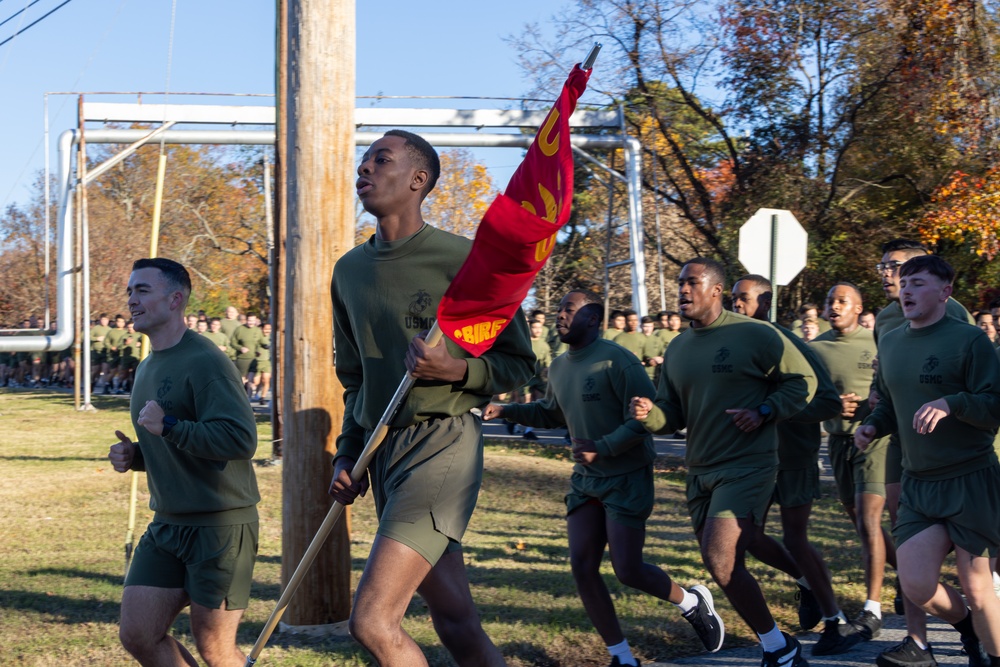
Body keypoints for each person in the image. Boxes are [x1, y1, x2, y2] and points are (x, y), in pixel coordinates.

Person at [327, 129, 534, 667]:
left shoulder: (466, 261)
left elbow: (518, 364)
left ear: (418, 180)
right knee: (456, 621)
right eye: (364, 159)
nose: (365, 168)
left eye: (381, 159)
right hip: (382, 454)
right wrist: (350, 453)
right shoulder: (348, 271)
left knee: (373, 621)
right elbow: (355, 379)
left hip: (442, 448)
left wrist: (454, 369)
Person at [484, 289, 725, 666]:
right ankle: (621, 657)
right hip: (586, 478)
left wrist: (604, 446)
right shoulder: (561, 366)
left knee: (628, 570)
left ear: (593, 319)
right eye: (559, 309)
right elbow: (551, 413)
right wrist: (505, 410)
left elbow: (648, 421)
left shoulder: (619, 362)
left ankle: (692, 601)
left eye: (570, 309)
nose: (560, 315)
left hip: (626, 476)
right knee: (582, 566)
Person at [630, 257, 817, 667]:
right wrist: (649, 415)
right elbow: (671, 415)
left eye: (691, 283)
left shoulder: (755, 334)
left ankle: (778, 647)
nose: (681, 290)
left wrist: (765, 411)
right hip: (699, 469)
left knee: (720, 557)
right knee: (727, 560)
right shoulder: (677, 348)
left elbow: (804, 383)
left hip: (749, 464)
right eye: (679, 283)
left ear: (716, 290)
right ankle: (782, 637)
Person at [107, 257, 259, 667]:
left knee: (216, 649)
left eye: (142, 290)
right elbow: (169, 442)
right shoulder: (147, 367)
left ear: (175, 299)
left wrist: (170, 425)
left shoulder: (206, 360)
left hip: (220, 527)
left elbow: (241, 439)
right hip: (168, 525)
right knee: (138, 633)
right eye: (129, 292)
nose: (131, 300)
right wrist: (136, 456)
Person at [856, 255, 1000, 667]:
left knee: (977, 587)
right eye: (904, 284)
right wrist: (873, 426)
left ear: (945, 292)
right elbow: (888, 402)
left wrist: (951, 403)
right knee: (917, 586)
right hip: (919, 481)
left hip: (970, 479)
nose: (906, 291)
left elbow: (995, 405)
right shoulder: (892, 341)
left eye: (918, 283)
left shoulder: (969, 340)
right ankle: (971, 630)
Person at [730, 275, 860, 657]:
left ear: (765, 302)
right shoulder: (731, 343)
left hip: (793, 457)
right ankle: (805, 582)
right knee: (746, 536)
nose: (736, 305)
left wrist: (772, 411)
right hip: (752, 457)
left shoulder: (792, 345)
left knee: (795, 539)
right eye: (733, 299)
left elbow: (827, 403)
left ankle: (835, 621)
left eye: (744, 299)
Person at [811, 282, 896, 645]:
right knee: (861, 523)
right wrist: (831, 406)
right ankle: (909, 578)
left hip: (875, 439)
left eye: (842, 301)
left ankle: (872, 607)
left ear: (858, 309)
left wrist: (870, 400)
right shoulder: (813, 349)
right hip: (838, 442)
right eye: (830, 301)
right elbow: (807, 395)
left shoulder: (878, 343)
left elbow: (892, 387)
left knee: (868, 519)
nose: (834, 306)